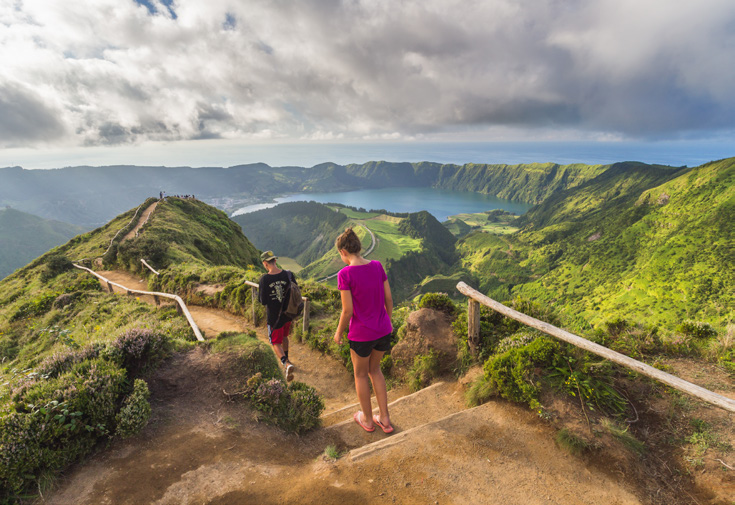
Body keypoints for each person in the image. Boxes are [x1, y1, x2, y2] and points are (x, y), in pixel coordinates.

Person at [333, 228, 394, 433]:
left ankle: (367, 420)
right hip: (383, 330)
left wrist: (338, 332)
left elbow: (347, 311)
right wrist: (386, 321)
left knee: (360, 374)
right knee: (375, 370)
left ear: (343, 252)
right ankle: (384, 419)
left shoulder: (345, 274)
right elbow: (388, 300)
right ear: (358, 247)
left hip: (361, 335)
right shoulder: (377, 266)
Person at [258, 250, 296, 382]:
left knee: (275, 342)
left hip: (274, 318)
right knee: (285, 337)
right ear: (275, 261)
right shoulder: (288, 274)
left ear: (265, 263)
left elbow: (263, 301)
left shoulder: (265, 279)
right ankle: (288, 358)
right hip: (288, 315)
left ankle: (286, 364)